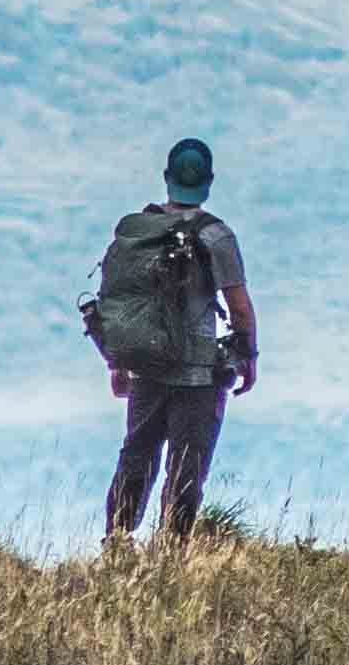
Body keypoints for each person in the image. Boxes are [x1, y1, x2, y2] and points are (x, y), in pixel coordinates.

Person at [85, 136, 257, 548]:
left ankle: (117, 543)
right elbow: (239, 307)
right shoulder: (216, 235)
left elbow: (121, 300)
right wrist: (249, 359)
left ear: (166, 178)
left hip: (144, 366)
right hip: (199, 373)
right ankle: (173, 553)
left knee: (136, 455)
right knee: (187, 465)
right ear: (209, 182)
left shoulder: (139, 234)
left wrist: (117, 363)